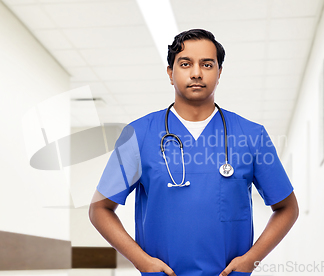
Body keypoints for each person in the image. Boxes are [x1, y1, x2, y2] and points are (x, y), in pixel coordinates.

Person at [89, 29, 299, 276]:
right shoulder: (138, 134)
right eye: (185, 63)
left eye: (207, 64)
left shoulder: (251, 135)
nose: (196, 73)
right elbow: (99, 209)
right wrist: (141, 261)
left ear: (219, 73)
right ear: (170, 73)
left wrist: (250, 260)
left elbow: (287, 208)